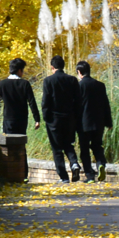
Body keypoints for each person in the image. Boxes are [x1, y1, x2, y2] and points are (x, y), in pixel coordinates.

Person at [41, 55, 82, 183]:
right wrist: (76, 117)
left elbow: (45, 102)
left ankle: (63, 177)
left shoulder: (48, 81)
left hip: (54, 119)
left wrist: (46, 118)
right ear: (63, 66)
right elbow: (78, 101)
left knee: (57, 148)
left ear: (52, 67)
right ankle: (74, 163)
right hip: (69, 118)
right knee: (68, 144)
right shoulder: (73, 80)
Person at [76, 60, 113, 183]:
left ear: (79, 72)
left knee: (84, 150)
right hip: (99, 123)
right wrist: (109, 122)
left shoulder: (79, 86)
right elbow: (105, 105)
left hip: (84, 124)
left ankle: (90, 176)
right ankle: (100, 163)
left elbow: (75, 106)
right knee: (97, 146)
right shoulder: (100, 85)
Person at [0, 58, 40, 134]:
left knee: (9, 142)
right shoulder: (25, 84)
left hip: (8, 119)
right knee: (20, 142)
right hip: (22, 120)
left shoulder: (2, 84)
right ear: (19, 70)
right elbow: (32, 102)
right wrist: (37, 119)